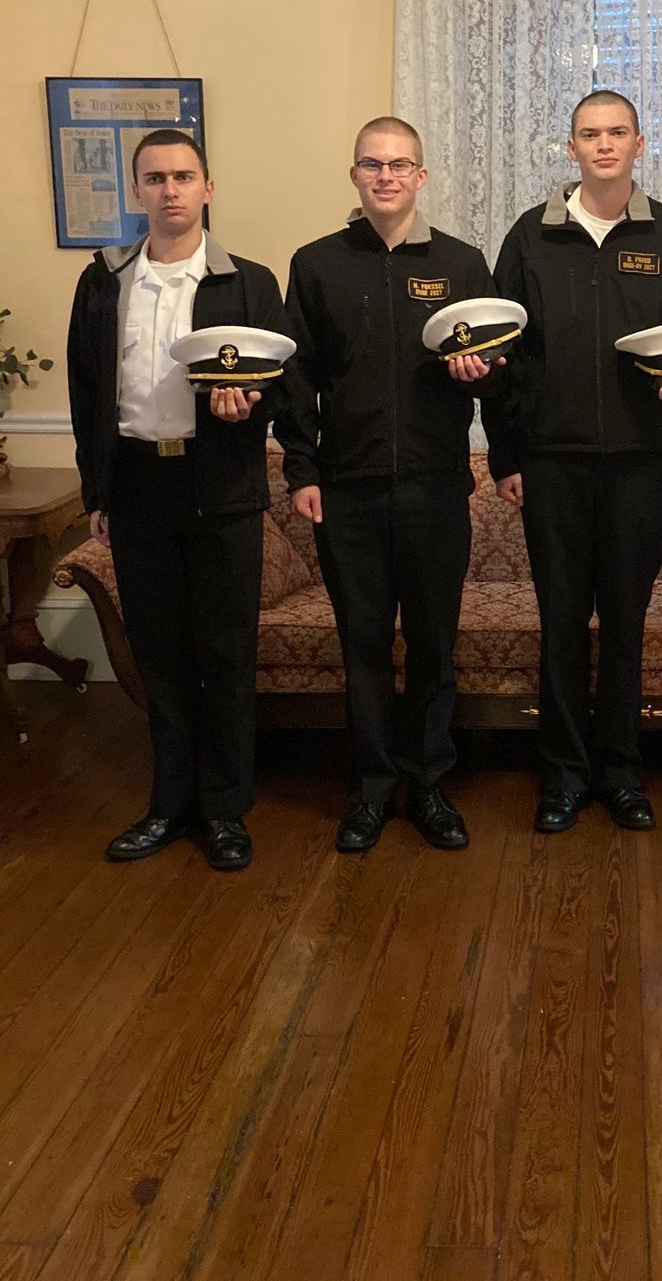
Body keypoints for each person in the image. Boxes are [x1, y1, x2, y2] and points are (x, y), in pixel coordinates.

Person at [485, 89, 662, 834]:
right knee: (559, 623)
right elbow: (503, 355)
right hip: (551, 463)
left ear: (640, 144)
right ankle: (562, 775)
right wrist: (507, 456)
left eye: (618, 133)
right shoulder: (530, 236)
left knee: (623, 625)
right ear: (571, 147)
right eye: (590, 134)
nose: (604, 144)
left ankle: (620, 773)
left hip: (641, 463)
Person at [275, 116, 501, 855]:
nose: (386, 177)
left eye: (400, 165)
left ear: (421, 176)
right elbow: (296, 378)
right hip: (348, 492)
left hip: (437, 488)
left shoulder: (463, 263)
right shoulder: (317, 264)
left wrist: (480, 372)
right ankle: (372, 789)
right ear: (355, 175)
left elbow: (500, 370)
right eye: (372, 164)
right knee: (364, 647)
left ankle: (429, 784)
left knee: (433, 646)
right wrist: (303, 470)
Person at [67, 128, 289, 871]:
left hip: (221, 484)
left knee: (225, 653)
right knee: (159, 654)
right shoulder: (103, 281)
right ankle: (168, 804)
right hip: (137, 486)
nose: (170, 190)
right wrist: (97, 489)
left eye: (183, 176)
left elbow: (280, 386)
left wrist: (247, 406)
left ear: (207, 188)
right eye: (156, 178)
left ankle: (224, 810)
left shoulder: (249, 281)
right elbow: (86, 390)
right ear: (137, 191)